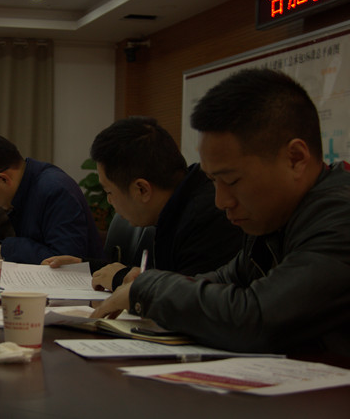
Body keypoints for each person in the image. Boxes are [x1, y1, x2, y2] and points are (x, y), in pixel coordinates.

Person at [92, 68, 350, 357]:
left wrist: (150, 288)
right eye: (213, 181)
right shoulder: (273, 219)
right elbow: (224, 280)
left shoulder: (340, 216)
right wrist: (140, 284)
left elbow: (257, 319)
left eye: (232, 181)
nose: (220, 201)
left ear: (295, 159)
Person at [43, 117, 242, 292]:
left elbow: (183, 299)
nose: (109, 201)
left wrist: (121, 279)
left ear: (142, 190)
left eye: (109, 192)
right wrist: (85, 267)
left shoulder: (206, 217)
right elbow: (159, 278)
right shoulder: (179, 202)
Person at [0, 134, 103, 264]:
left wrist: (9, 248)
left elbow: (65, 260)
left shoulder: (55, 190)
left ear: (3, 179)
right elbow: (39, 245)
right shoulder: (26, 187)